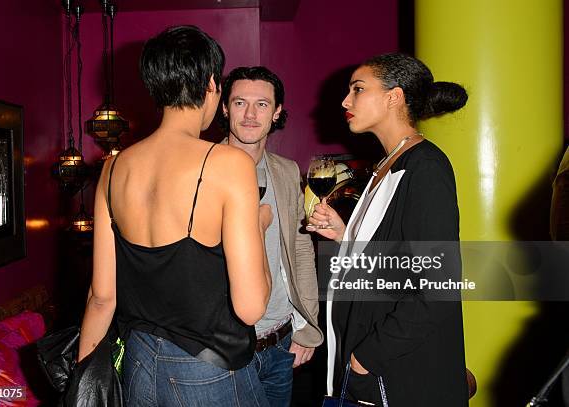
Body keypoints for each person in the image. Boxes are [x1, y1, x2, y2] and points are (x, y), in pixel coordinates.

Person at [77, 26, 272, 406]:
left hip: (138, 364)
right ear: (212, 85)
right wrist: (259, 226)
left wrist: (86, 385)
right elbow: (250, 308)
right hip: (209, 371)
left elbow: (101, 298)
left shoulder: (113, 169)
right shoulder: (229, 163)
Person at [308, 53, 469, 406]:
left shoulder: (425, 166)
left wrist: (366, 358)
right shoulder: (387, 165)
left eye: (358, 89)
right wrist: (347, 235)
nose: (345, 101)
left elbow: (438, 285)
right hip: (367, 363)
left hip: (392, 371)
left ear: (394, 96)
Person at [220, 66, 323, 406]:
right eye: (239, 103)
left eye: (262, 104)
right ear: (224, 107)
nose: (250, 114)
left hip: (280, 342)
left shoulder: (287, 170)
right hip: (223, 347)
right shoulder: (202, 169)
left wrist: (307, 326)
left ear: (277, 111)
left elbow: (300, 249)